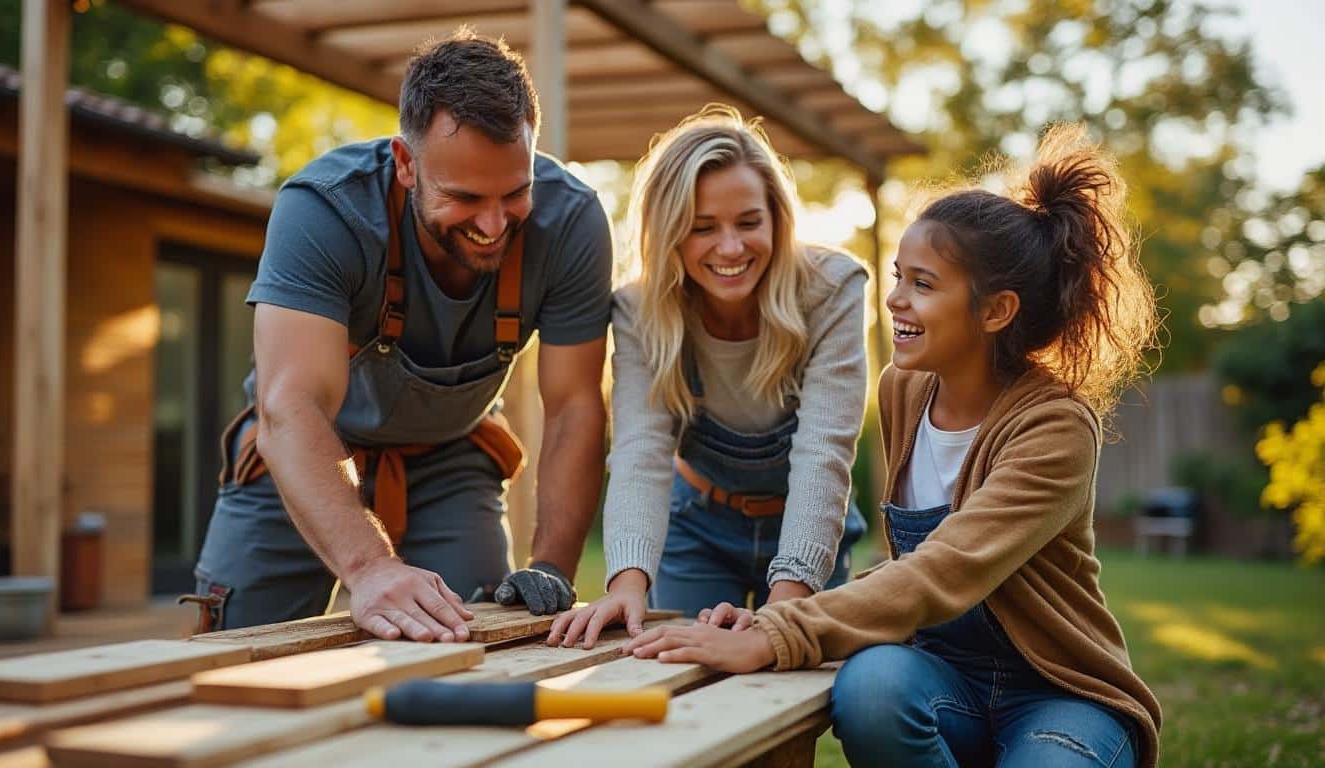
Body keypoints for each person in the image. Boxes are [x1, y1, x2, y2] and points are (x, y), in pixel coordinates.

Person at [621, 124, 1164, 768]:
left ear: (995, 312)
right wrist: (764, 619)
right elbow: (899, 565)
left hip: (1057, 692)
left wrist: (781, 628)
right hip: (942, 678)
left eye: (924, 285)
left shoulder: (1056, 426)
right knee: (872, 685)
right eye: (899, 276)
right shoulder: (905, 390)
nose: (896, 299)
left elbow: (946, 566)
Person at [190, 31, 613, 640]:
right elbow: (290, 406)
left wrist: (550, 569)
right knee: (236, 652)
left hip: (452, 453)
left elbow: (575, 407)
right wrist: (369, 567)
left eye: (514, 194)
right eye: (465, 198)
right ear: (407, 163)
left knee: (482, 643)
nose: (494, 226)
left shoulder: (572, 222)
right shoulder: (324, 210)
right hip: (305, 451)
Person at [547, 105, 868, 650]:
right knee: (680, 672)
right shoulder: (638, 310)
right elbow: (641, 449)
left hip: (806, 518)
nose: (730, 248)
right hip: (696, 527)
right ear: (669, 233)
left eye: (748, 222)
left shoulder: (831, 290)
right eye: (702, 228)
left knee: (794, 686)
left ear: (776, 218)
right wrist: (628, 581)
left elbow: (824, 453)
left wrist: (786, 605)